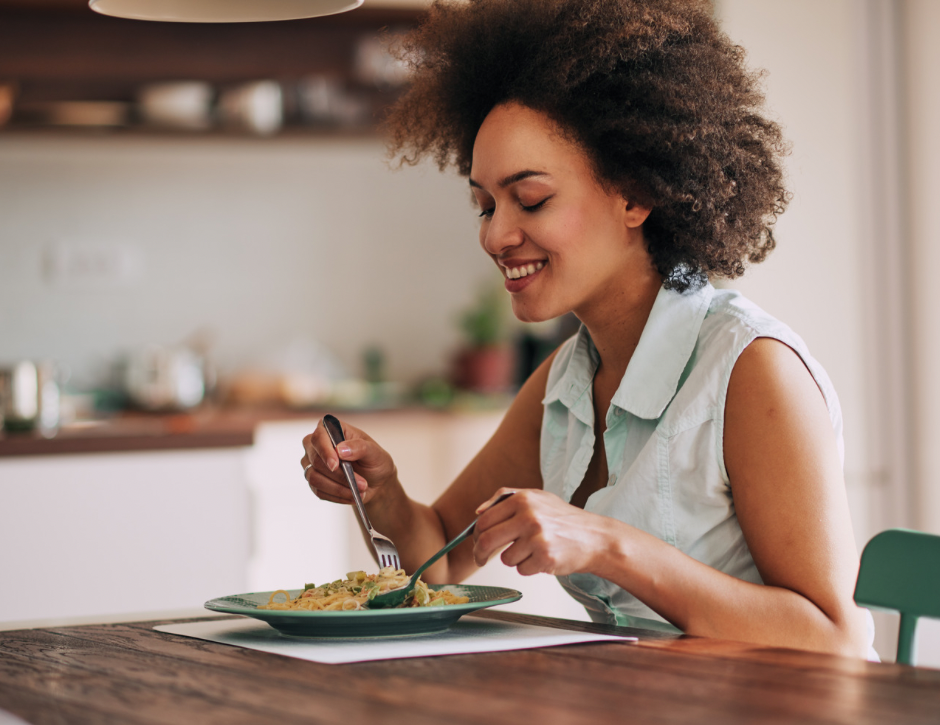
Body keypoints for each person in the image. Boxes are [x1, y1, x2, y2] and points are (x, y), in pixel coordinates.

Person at [301, 0, 874, 658]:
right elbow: (440, 563)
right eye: (484, 204)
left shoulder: (750, 371)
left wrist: (605, 543)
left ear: (633, 196)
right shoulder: (569, 378)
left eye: (531, 198)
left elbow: (836, 639)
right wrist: (384, 493)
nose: (494, 233)